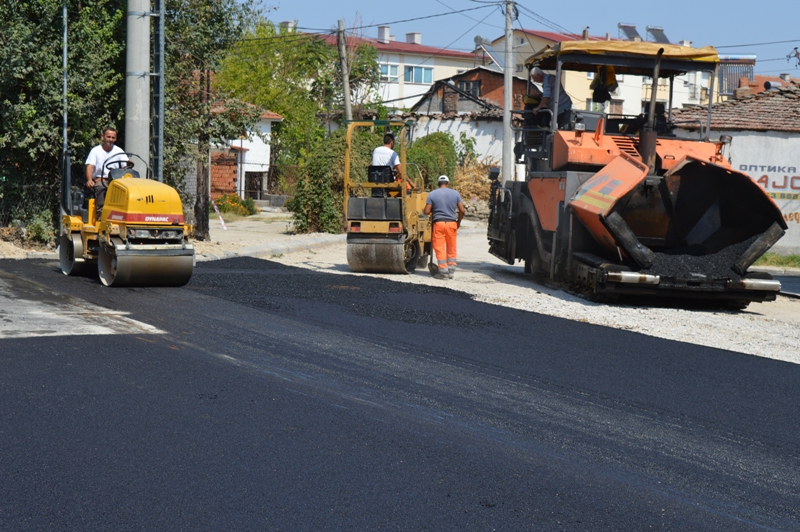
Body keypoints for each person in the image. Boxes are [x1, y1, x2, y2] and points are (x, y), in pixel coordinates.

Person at [423, 175, 465, 280]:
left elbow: (427, 211)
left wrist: (433, 209)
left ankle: (443, 270)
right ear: (448, 183)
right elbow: (462, 210)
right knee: (451, 246)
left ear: (438, 184)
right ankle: (451, 271)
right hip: (452, 224)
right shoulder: (455, 194)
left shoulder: (432, 194)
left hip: (439, 224)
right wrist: (458, 221)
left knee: (439, 247)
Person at [85, 127, 128, 221]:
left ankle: (123, 218)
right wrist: (89, 180)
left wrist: (128, 164)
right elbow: (90, 166)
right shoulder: (95, 151)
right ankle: (101, 219)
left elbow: (125, 166)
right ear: (103, 137)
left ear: (115, 139)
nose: (110, 140)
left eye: (113, 138)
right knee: (101, 187)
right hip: (101, 180)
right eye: (108, 137)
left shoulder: (119, 151)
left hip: (116, 181)